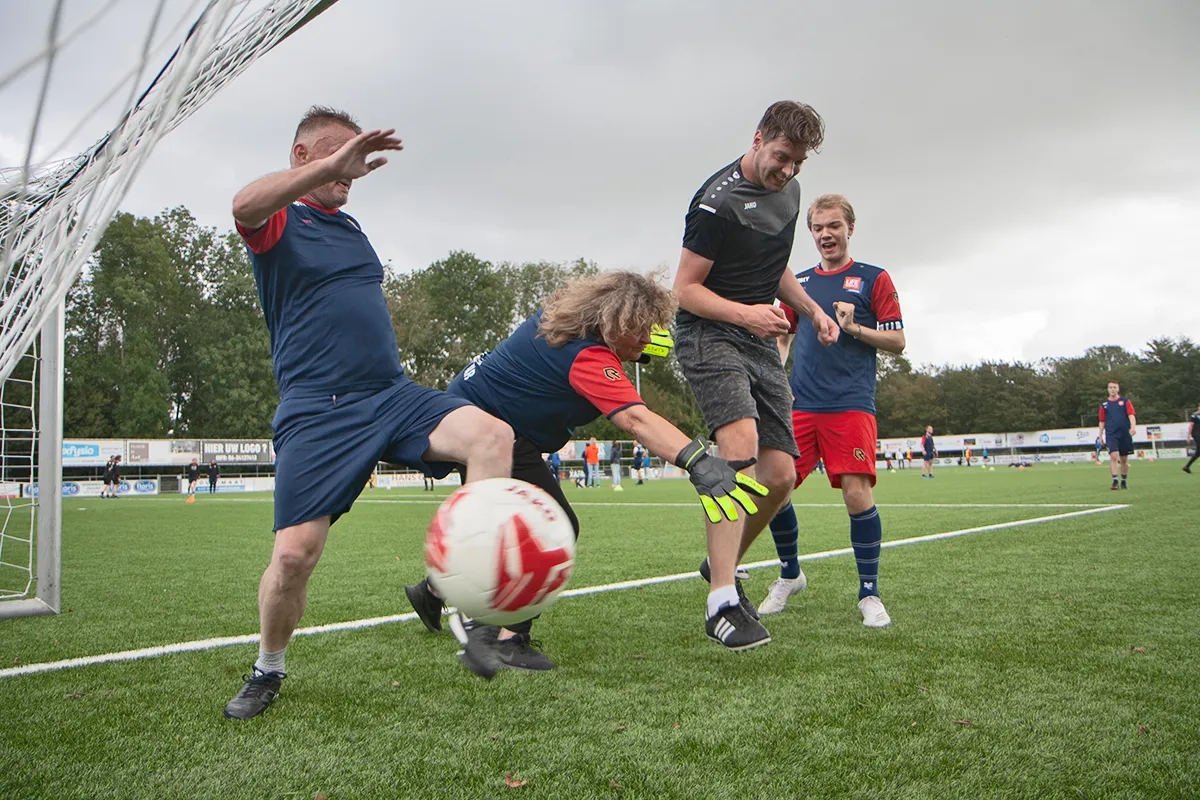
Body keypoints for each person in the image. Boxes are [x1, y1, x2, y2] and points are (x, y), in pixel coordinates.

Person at [222, 106, 513, 720]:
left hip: (391, 395)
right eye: (336, 156)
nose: (350, 171)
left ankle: (462, 589)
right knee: (295, 555)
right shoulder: (279, 221)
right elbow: (242, 204)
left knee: (492, 435)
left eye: (354, 162)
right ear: (303, 156)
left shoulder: (351, 228)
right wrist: (330, 166)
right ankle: (268, 667)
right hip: (320, 411)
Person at [404, 272, 766, 672]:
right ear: (617, 323)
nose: (647, 341)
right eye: (642, 332)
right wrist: (697, 461)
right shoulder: (586, 356)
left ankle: (432, 591)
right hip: (493, 432)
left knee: (505, 522)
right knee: (550, 525)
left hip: (471, 416)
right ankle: (508, 638)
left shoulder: (558, 321)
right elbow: (636, 420)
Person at [672, 100, 838, 650]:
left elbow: (776, 266)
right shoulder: (715, 205)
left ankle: (721, 563)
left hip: (758, 335)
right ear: (759, 137)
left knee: (781, 474)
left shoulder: (788, 193)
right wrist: (747, 313)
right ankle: (721, 601)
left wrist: (811, 310)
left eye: (797, 163)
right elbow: (685, 289)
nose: (787, 172)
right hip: (709, 333)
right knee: (738, 443)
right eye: (781, 157)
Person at [763, 194, 905, 626]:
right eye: (818, 228)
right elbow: (783, 336)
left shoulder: (873, 279)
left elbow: (898, 343)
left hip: (850, 405)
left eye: (834, 226)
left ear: (850, 229)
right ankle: (790, 574)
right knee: (776, 490)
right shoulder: (797, 282)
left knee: (857, 496)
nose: (826, 234)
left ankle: (869, 594)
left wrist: (853, 328)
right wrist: (775, 377)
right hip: (801, 405)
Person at [1098, 380, 1136, 490]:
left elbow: (1131, 415)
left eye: (1114, 387)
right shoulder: (1104, 405)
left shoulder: (1125, 401)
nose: (1112, 389)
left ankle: (1123, 481)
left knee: (1124, 459)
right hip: (1111, 434)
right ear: (1108, 389)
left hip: (1124, 433)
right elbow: (1102, 421)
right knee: (1114, 456)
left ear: (1118, 389)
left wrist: (1133, 426)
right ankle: (1115, 480)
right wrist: (1100, 435)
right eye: (1110, 387)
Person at [1184, 402, 1200, 474]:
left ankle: (1186, 466)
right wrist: (1188, 436)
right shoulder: (1194, 415)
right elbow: (1191, 426)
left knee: (1198, 452)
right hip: (1196, 434)